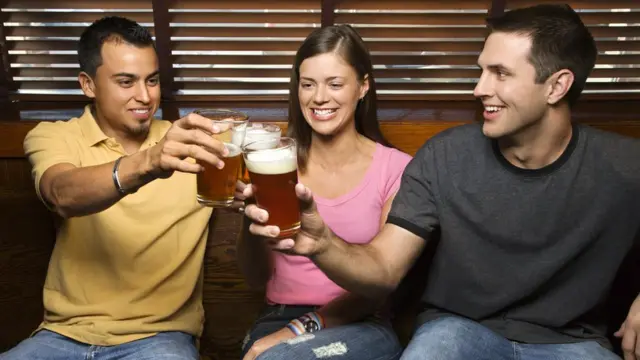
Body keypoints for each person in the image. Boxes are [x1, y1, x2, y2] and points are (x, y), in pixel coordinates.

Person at [244, 4, 640, 360]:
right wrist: (324, 244)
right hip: (460, 333)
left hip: (572, 345)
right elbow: (383, 268)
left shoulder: (623, 165)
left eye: (500, 73)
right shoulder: (445, 156)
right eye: (481, 70)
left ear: (557, 86)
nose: (479, 88)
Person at [0, 16, 229, 360]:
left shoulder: (191, 143)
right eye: (126, 82)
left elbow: (285, 146)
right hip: (63, 335)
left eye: (152, 81)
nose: (145, 96)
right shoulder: (55, 136)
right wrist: (151, 161)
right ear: (88, 85)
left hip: (160, 339)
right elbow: (61, 193)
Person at [237, 25, 410, 360]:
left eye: (335, 84)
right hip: (278, 315)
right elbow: (255, 277)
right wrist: (250, 219)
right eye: (308, 84)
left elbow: (381, 284)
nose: (319, 98)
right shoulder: (272, 165)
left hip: (362, 321)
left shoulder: (397, 170)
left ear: (363, 87)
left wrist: (298, 330)